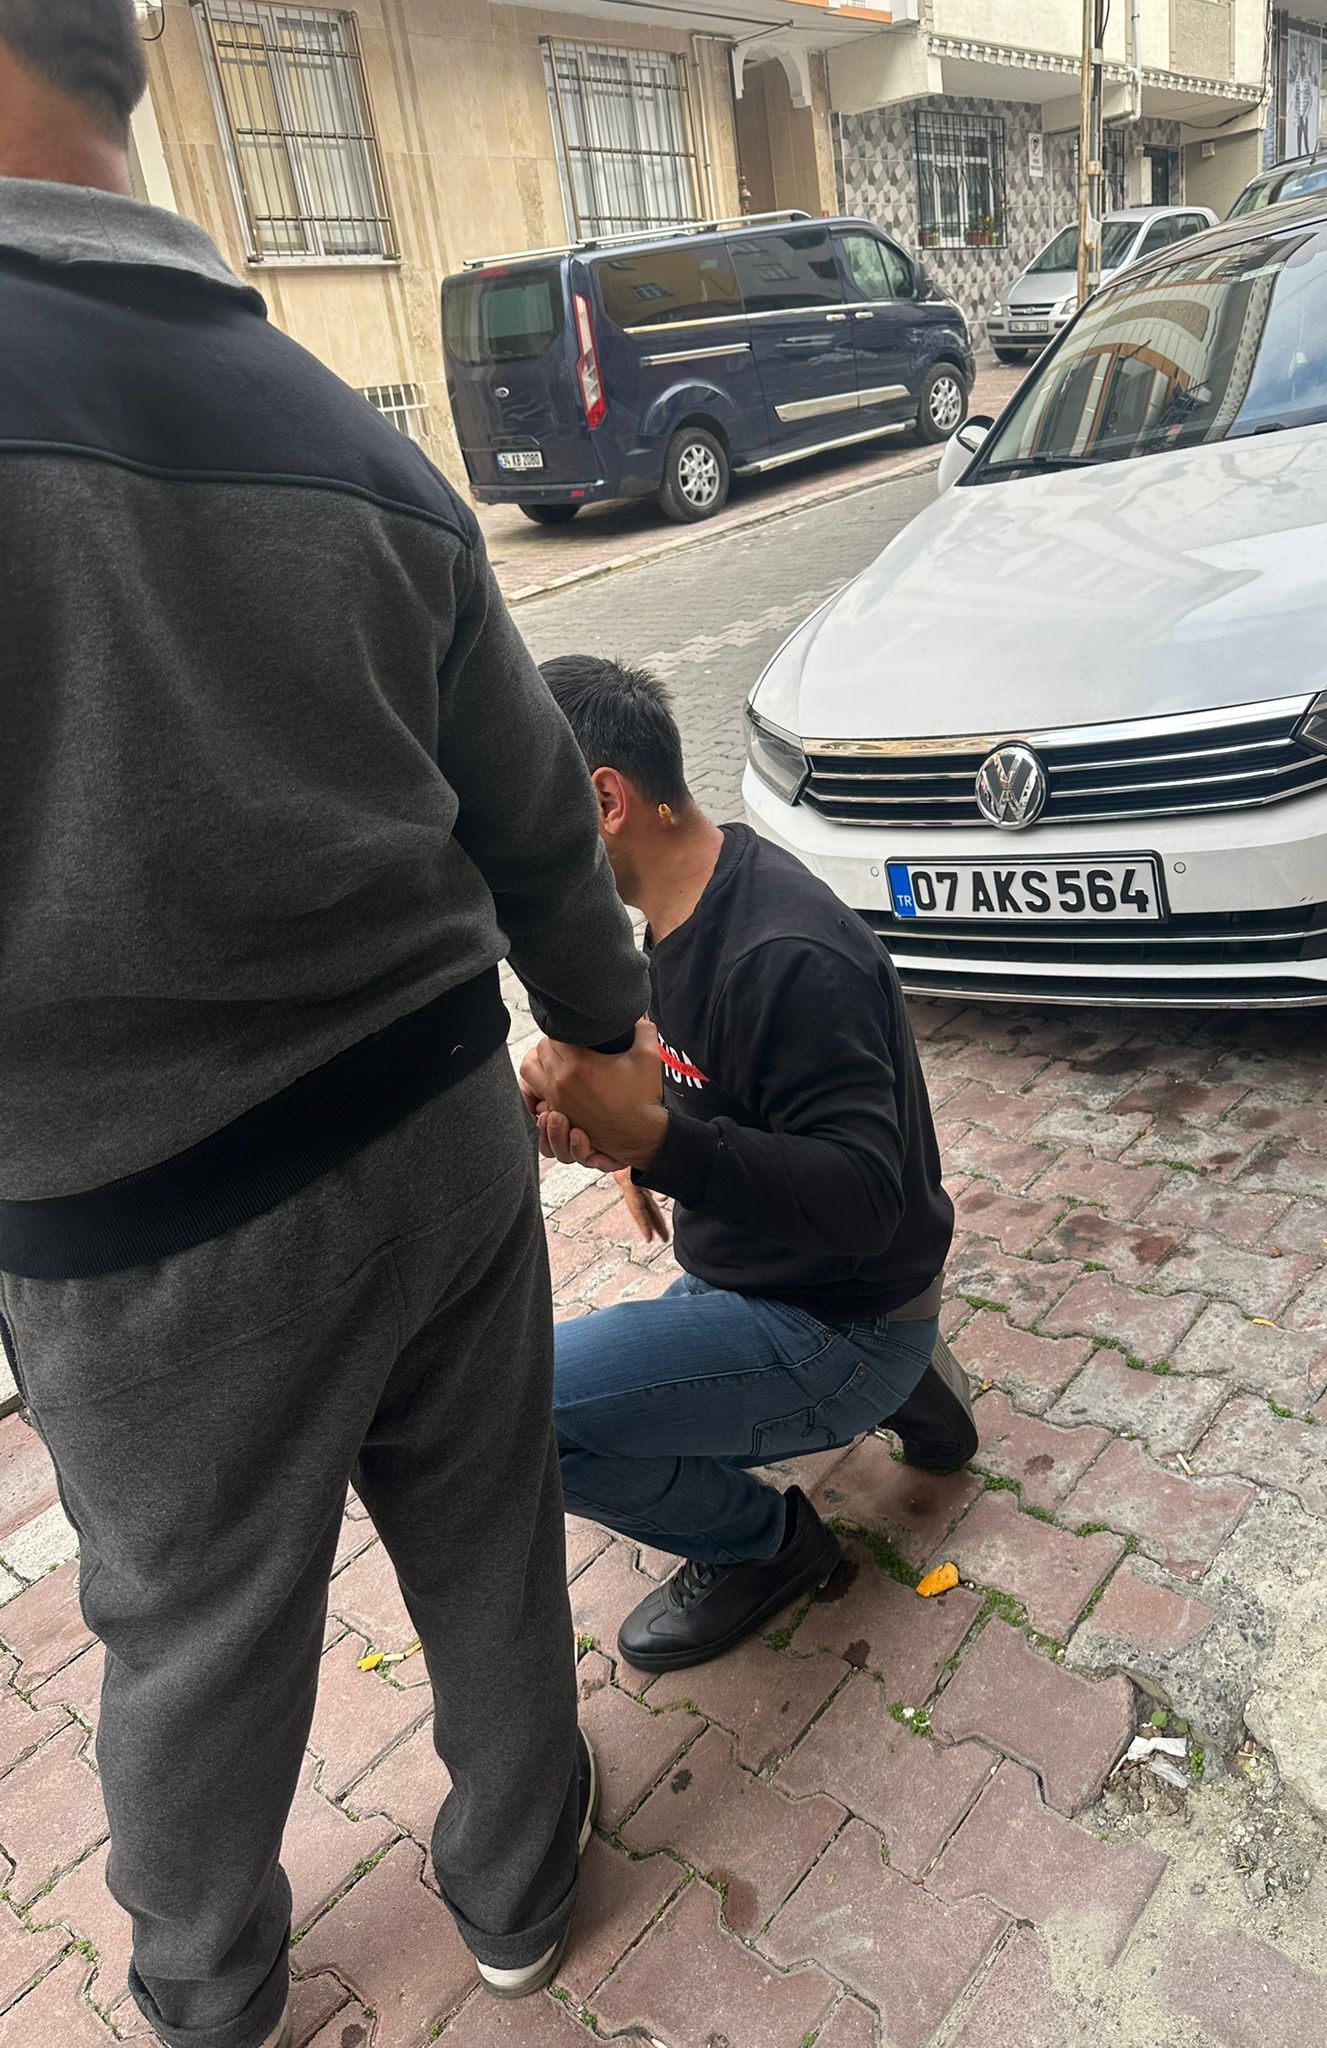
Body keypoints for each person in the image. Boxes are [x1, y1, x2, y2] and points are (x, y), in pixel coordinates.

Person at [0, 8, 649, 2047]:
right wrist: (607, 1033)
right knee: (487, 1535)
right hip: (437, 1125)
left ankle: (208, 1994)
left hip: (138, 1218)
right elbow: (539, 809)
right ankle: (521, 1885)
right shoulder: (352, 437)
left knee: (195, 1636)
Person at [521, 658, 976, 1673]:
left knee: (519, 1421)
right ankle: (913, 1387)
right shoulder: (681, 911)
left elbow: (865, 1197)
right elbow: (722, 1094)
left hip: (842, 1316)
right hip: (776, 1275)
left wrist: (662, 1141)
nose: (501, 860)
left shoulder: (784, 952)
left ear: (605, 799)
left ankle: (768, 1544)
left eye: (511, 819)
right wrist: (625, 1144)